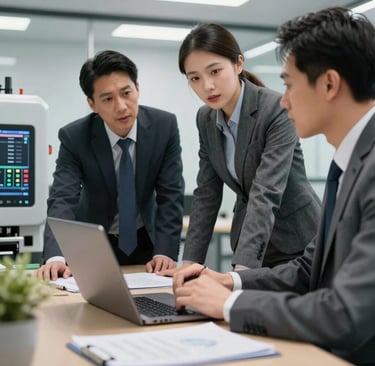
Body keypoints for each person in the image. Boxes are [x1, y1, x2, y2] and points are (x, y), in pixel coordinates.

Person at [160, 7, 375, 365]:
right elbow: (308, 271)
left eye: (289, 84)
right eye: (195, 78)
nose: (284, 98)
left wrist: (231, 301)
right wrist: (229, 283)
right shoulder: (351, 164)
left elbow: (344, 314)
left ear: (329, 84)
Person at [178, 23, 320, 270]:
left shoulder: (275, 109)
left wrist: (241, 270)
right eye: (195, 78)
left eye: (215, 71)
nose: (207, 86)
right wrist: (189, 263)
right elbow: (207, 194)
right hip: (250, 239)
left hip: (299, 242)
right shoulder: (206, 119)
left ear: (238, 64)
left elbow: (266, 191)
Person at [36, 50, 184, 280]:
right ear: (92, 104)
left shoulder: (164, 127)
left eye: (127, 93)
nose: (122, 106)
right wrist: (56, 256)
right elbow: (63, 198)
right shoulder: (75, 137)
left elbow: (170, 195)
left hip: (145, 245)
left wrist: (165, 251)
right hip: (92, 246)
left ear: (138, 88)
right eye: (107, 99)